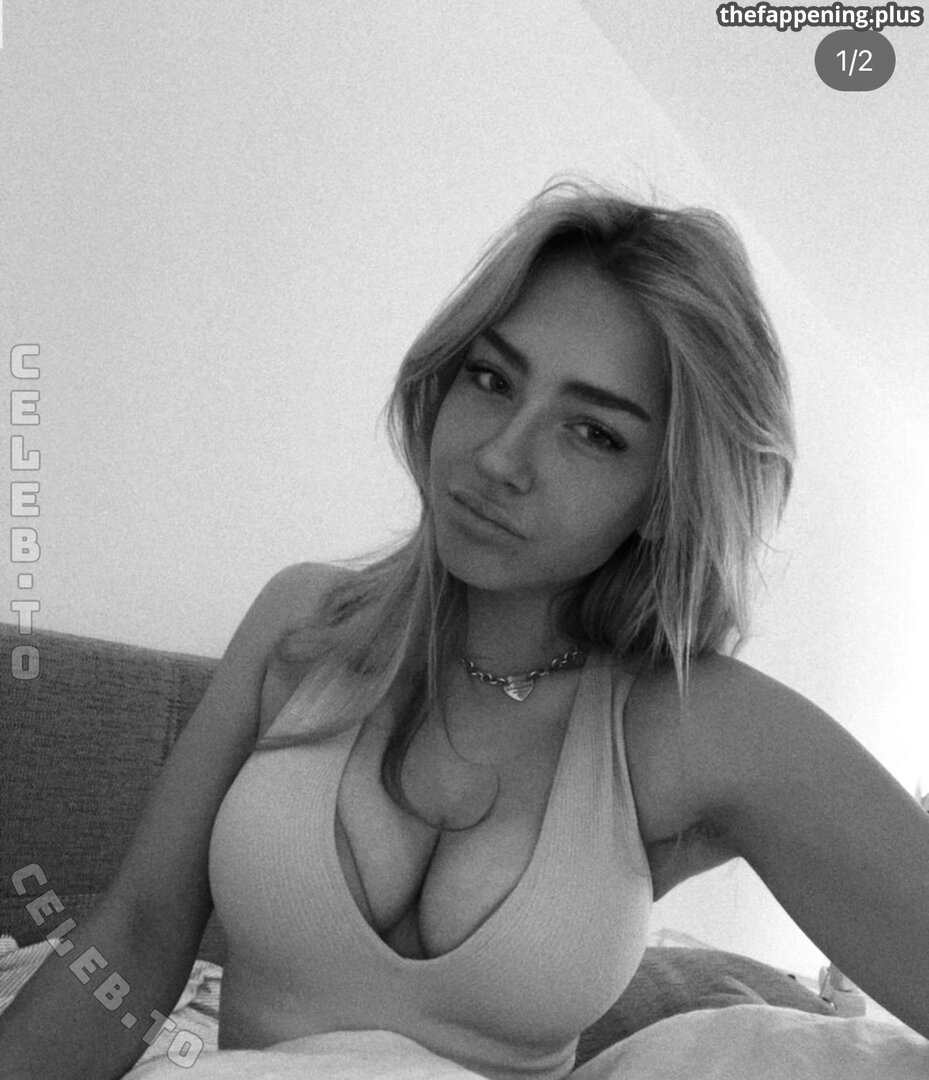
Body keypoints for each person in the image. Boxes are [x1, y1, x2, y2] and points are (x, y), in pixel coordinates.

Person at [2, 179, 928, 1080]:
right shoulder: (303, 624)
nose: (498, 457)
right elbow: (137, 937)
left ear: (666, 494)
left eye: (594, 433)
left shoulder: (696, 725)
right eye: (491, 379)